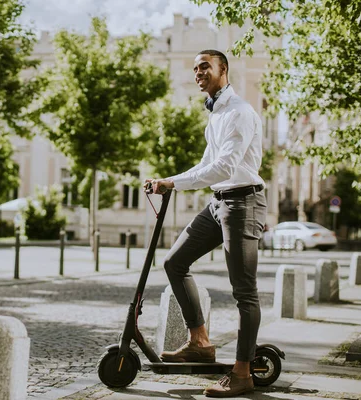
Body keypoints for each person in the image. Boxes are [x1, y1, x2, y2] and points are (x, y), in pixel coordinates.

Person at [145, 49, 267, 398]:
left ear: (223, 70)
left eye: (205, 67)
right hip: (220, 202)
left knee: (244, 291)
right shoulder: (215, 114)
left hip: (243, 202)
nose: (198, 72)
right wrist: (169, 179)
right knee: (174, 261)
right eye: (196, 67)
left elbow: (225, 167)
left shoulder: (240, 112)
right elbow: (205, 166)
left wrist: (172, 183)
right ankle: (199, 341)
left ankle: (242, 374)